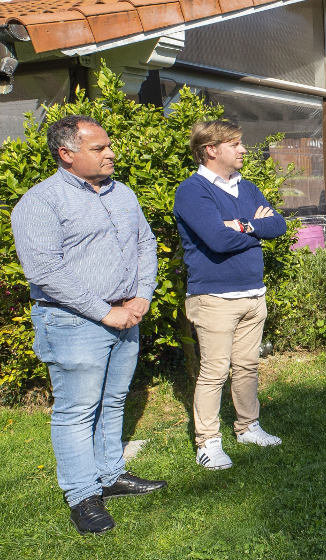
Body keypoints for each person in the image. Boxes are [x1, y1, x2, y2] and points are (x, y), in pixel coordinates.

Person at [11, 115, 166, 534]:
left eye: (108, 145)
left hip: (126, 315)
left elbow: (144, 243)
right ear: (67, 154)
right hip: (73, 322)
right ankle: (83, 496)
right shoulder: (40, 202)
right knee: (77, 411)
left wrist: (141, 296)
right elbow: (44, 271)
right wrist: (104, 311)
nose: (110, 153)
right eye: (98, 149)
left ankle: (110, 474)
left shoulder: (123, 193)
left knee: (114, 400)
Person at [174, 120, 287, 470]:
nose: (242, 149)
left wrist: (243, 225)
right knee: (214, 371)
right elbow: (216, 240)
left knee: (248, 365)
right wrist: (255, 226)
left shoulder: (247, 187)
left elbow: (278, 226)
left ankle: (248, 426)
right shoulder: (192, 191)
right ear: (211, 150)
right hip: (215, 299)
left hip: (254, 294)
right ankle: (207, 441)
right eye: (234, 144)